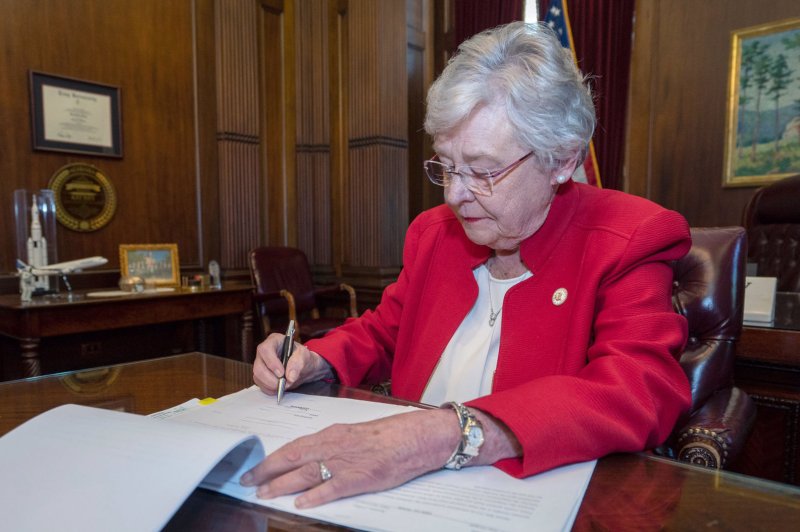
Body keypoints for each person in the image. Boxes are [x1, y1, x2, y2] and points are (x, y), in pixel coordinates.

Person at [241, 21, 692, 509]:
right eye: (447, 166)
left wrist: (443, 433)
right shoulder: (435, 233)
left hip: (529, 502)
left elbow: (639, 391)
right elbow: (386, 331)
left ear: (561, 159)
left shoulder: (630, 238)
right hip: (404, 498)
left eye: (482, 171)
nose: (456, 195)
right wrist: (316, 360)